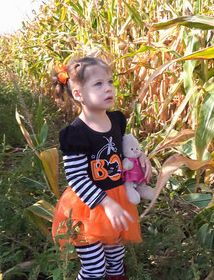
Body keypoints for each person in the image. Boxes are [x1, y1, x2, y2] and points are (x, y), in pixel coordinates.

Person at [51, 57, 152, 280]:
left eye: (110, 82)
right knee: (95, 269)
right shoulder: (76, 133)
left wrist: (141, 156)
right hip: (89, 207)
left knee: (116, 260)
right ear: (78, 95)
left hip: (117, 199)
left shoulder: (116, 120)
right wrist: (107, 204)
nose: (108, 88)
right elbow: (77, 179)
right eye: (98, 84)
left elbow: (126, 146)